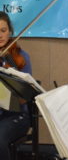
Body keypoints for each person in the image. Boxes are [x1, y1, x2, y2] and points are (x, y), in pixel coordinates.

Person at [0, 11, 32, 160]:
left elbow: (24, 97)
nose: (0, 35)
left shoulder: (20, 56)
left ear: (10, 32)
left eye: (3, 30)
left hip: (17, 115)